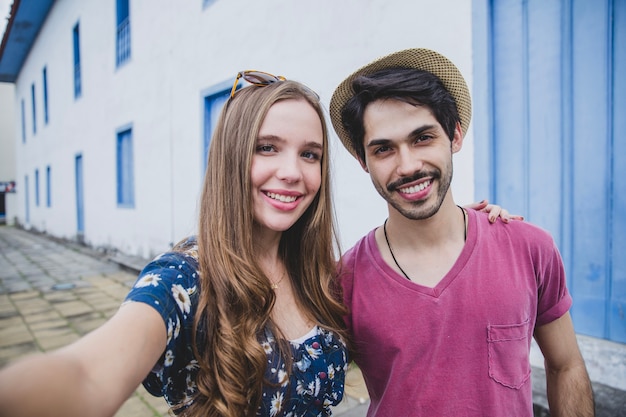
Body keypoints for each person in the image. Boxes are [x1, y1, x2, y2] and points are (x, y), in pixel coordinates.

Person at [0, 70, 509, 417]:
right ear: (230, 157)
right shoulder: (184, 278)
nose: (291, 173)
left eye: (310, 155)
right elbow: (85, 375)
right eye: (267, 148)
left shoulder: (322, 277)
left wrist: (473, 225)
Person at [329, 48, 594, 417]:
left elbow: (566, 365)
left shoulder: (529, 248)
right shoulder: (344, 281)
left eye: (422, 138)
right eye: (384, 149)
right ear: (363, 161)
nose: (408, 166)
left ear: (454, 135)